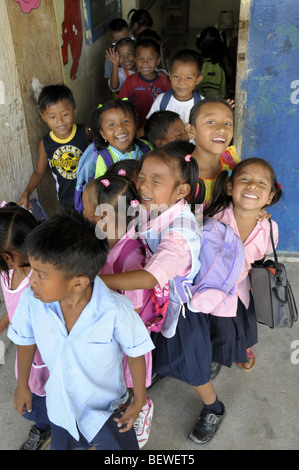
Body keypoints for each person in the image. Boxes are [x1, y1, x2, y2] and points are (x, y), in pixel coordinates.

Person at [99, 141, 225, 445]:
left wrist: (99, 283)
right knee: (157, 350)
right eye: (142, 175)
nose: (143, 184)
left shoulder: (180, 233)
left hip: (182, 313)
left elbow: (149, 276)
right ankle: (159, 372)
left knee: (194, 368)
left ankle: (213, 407)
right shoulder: (153, 207)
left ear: (180, 191)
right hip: (157, 305)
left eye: (156, 181)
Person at [8, 212, 154, 451]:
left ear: (78, 282)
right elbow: (25, 341)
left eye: (41, 275)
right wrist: (22, 385)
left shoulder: (115, 310)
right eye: (32, 270)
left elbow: (136, 351)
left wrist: (138, 399)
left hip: (106, 409)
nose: (31, 280)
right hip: (60, 405)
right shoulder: (31, 301)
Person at [82, 175, 155, 448]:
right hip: (106, 331)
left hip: (126, 337)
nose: (85, 218)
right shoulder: (103, 242)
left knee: (129, 381)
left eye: (89, 215)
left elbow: (132, 314)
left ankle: (142, 406)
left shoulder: (131, 257)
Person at [204, 158, 282, 369]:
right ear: (230, 187)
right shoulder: (215, 219)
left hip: (242, 289)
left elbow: (262, 255)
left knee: (243, 323)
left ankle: (242, 348)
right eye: (245, 179)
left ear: (269, 197)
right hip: (214, 289)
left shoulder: (269, 228)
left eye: (261, 183)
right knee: (220, 328)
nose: (252, 186)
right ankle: (217, 355)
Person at [0, 203, 50, 450]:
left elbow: (31, 336)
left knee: (36, 399)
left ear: (7, 256)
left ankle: (48, 426)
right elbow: (14, 309)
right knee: (35, 397)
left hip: (40, 355)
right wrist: (3, 323)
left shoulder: (38, 284)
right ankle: (44, 425)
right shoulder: (8, 272)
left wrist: (21, 387)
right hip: (27, 355)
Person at [17, 84, 89, 210]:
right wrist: (26, 192)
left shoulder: (85, 132)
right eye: (52, 117)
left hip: (91, 195)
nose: (60, 121)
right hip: (67, 201)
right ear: (44, 117)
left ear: (74, 111)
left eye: (65, 114)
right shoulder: (46, 143)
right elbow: (39, 172)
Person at [186, 97, 238, 207]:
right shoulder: (179, 173)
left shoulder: (233, 158)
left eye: (228, 124)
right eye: (211, 122)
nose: (222, 129)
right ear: (191, 130)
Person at [118, 39, 171, 131]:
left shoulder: (163, 80)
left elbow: (171, 102)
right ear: (135, 59)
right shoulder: (131, 81)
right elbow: (122, 102)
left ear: (158, 60)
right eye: (140, 59)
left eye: (150, 59)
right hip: (137, 128)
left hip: (159, 128)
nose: (145, 63)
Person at [146, 49, 204, 125]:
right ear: (170, 75)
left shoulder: (202, 104)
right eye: (176, 76)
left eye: (188, 78)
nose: (181, 82)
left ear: (198, 80)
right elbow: (150, 125)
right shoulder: (161, 100)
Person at [195, 26, 226, 99]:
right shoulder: (220, 66)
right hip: (217, 102)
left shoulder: (197, 65)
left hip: (198, 102)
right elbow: (223, 91)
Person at [104, 18, 131, 97]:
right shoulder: (110, 57)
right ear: (111, 39)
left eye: (124, 39)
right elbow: (108, 81)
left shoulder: (137, 49)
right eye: (116, 41)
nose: (121, 43)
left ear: (129, 34)